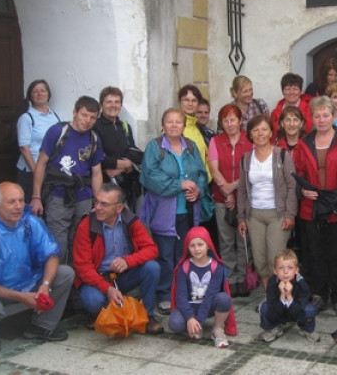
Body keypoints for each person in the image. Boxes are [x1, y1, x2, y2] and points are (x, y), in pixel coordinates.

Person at [0, 182, 74, 352]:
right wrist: (21, 297)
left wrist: (45, 285)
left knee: (65, 273)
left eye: (21, 200)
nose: (18, 206)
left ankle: (41, 326)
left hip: (28, 282)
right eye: (11, 202)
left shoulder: (30, 222)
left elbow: (51, 254)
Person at [139, 108, 213, 315]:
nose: (174, 126)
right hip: (164, 211)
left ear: (183, 125)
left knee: (185, 252)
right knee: (165, 255)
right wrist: (180, 184)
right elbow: (150, 177)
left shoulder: (189, 145)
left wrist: (197, 188)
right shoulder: (154, 147)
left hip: (187, 210)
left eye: (178, 122)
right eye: (169, 122)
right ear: (162, 125)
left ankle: (183, 291)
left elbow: (200, 171)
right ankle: (164, 294)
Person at [72, 183, 163, 334]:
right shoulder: (86, 225)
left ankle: (147, 315)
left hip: (122, 276)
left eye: (104, 204)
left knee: (152, 268)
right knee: (93, 302)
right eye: (97, 202)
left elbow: (152, 249)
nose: (98, 208)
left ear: (119, 208)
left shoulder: (131, 221)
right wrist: (107, 289)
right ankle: (101, 314)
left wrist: (128, 261)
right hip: (96, 279)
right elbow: (82, 267)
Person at [293, 96, 337, 317]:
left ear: (332, 116)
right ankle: (319, 294)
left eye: (325, 115)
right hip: (311, 207)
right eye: (317, 115)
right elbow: (298, 172)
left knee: (336, 252)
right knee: (314, 253)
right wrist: (302, 190)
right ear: (311, 117)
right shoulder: (304, 143)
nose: (321, 119)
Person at [31, 96, 104, 263]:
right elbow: (41, 164)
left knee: (79, 242)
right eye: (84, 115)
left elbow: (97, 172)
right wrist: (36, 197)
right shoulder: (58, 132)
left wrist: (98, 200)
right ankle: (58, 283)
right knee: (59, 244)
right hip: (58, 195)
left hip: (84, 196)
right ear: (75, 112)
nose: (88, 120)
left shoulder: (94, 138)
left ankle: (76, 283)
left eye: (93, 117)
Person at [237, 115, 297, 291]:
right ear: (250, 134)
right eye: (255, 130)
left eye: (264, 129)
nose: (260, 133)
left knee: (276, 259)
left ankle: (283, 297)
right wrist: (241, 217)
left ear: (271, 131)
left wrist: (290, 214)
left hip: (277, 215)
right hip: (254, 215)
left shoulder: (282, 155)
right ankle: (269, 298)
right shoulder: (246, 158)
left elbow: (292, 186)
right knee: (260, 259)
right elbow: (242, 190)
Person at [208, 104, 253, 297]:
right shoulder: (215, 141)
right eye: (225, 120)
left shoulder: (249, 140)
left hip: (244, 198)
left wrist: (232, 187)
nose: (230, 124)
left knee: (243, 240)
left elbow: (251, 169)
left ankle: (243, 278)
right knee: (226, 240)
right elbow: (213, 168)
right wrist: (225, 191)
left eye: (233, 119)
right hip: (221, 198)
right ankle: (230, 279)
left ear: (240, 120)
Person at [169, 227, 236, 347]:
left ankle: (217, 328)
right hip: (190, 305)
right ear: (187, 248)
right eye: (192, 246)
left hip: (209, 305)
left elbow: (210, 295)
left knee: (224, 299)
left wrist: (199, 321)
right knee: (175, 324)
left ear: (208, 245)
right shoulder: (183, 267)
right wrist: (189, 318)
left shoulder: (217, 267)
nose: (197, 249)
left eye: (200, 244)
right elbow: (181, 296)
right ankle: (192, 324)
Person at [93, 86, 143, 211]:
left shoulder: (125, 126)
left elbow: (137, 155)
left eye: (117, 102)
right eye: (109, 102)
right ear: (101, 105)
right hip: (106, 187)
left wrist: (122, 168)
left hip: (126, 186)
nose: (113, 105)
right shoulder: (95, 127)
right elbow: (99, 158)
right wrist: (126, 163)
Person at [258, 248, 320, 343]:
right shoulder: (272, 283)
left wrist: (290, 296)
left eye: (290, 268)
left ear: (296, 270)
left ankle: (306, 329)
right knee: (264, 307)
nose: (285, 271)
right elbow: (273, 307)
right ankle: (273, 328)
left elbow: (300, 309)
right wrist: (282, 295)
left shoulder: (301, 283)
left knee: (310, 309)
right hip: (279, 312)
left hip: (297, 312)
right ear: (275, 270)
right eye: (281, 268)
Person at [16, 79, 61, 203]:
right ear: (30, 96)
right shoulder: (27, 118)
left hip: (50, 171)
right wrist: (37, 172)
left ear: (48, 94)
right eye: (35, 91)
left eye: (42, 90)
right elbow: (24, 148)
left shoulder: (55, 116)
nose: (39, 94)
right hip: (31, 171)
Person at [178, 84, 212, 179]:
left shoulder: (198, 128)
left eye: (194, 100)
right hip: (186, 186)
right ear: (179, 101)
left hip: (202, 185)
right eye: (186, 100)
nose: (190, 104)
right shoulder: (174, 127)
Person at [271, 73, 313, 137]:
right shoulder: (275, 113)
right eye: (288, 89)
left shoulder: (310, 110)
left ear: (301, 91)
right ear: (282, 91)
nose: (291, 92)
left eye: (295, 89)